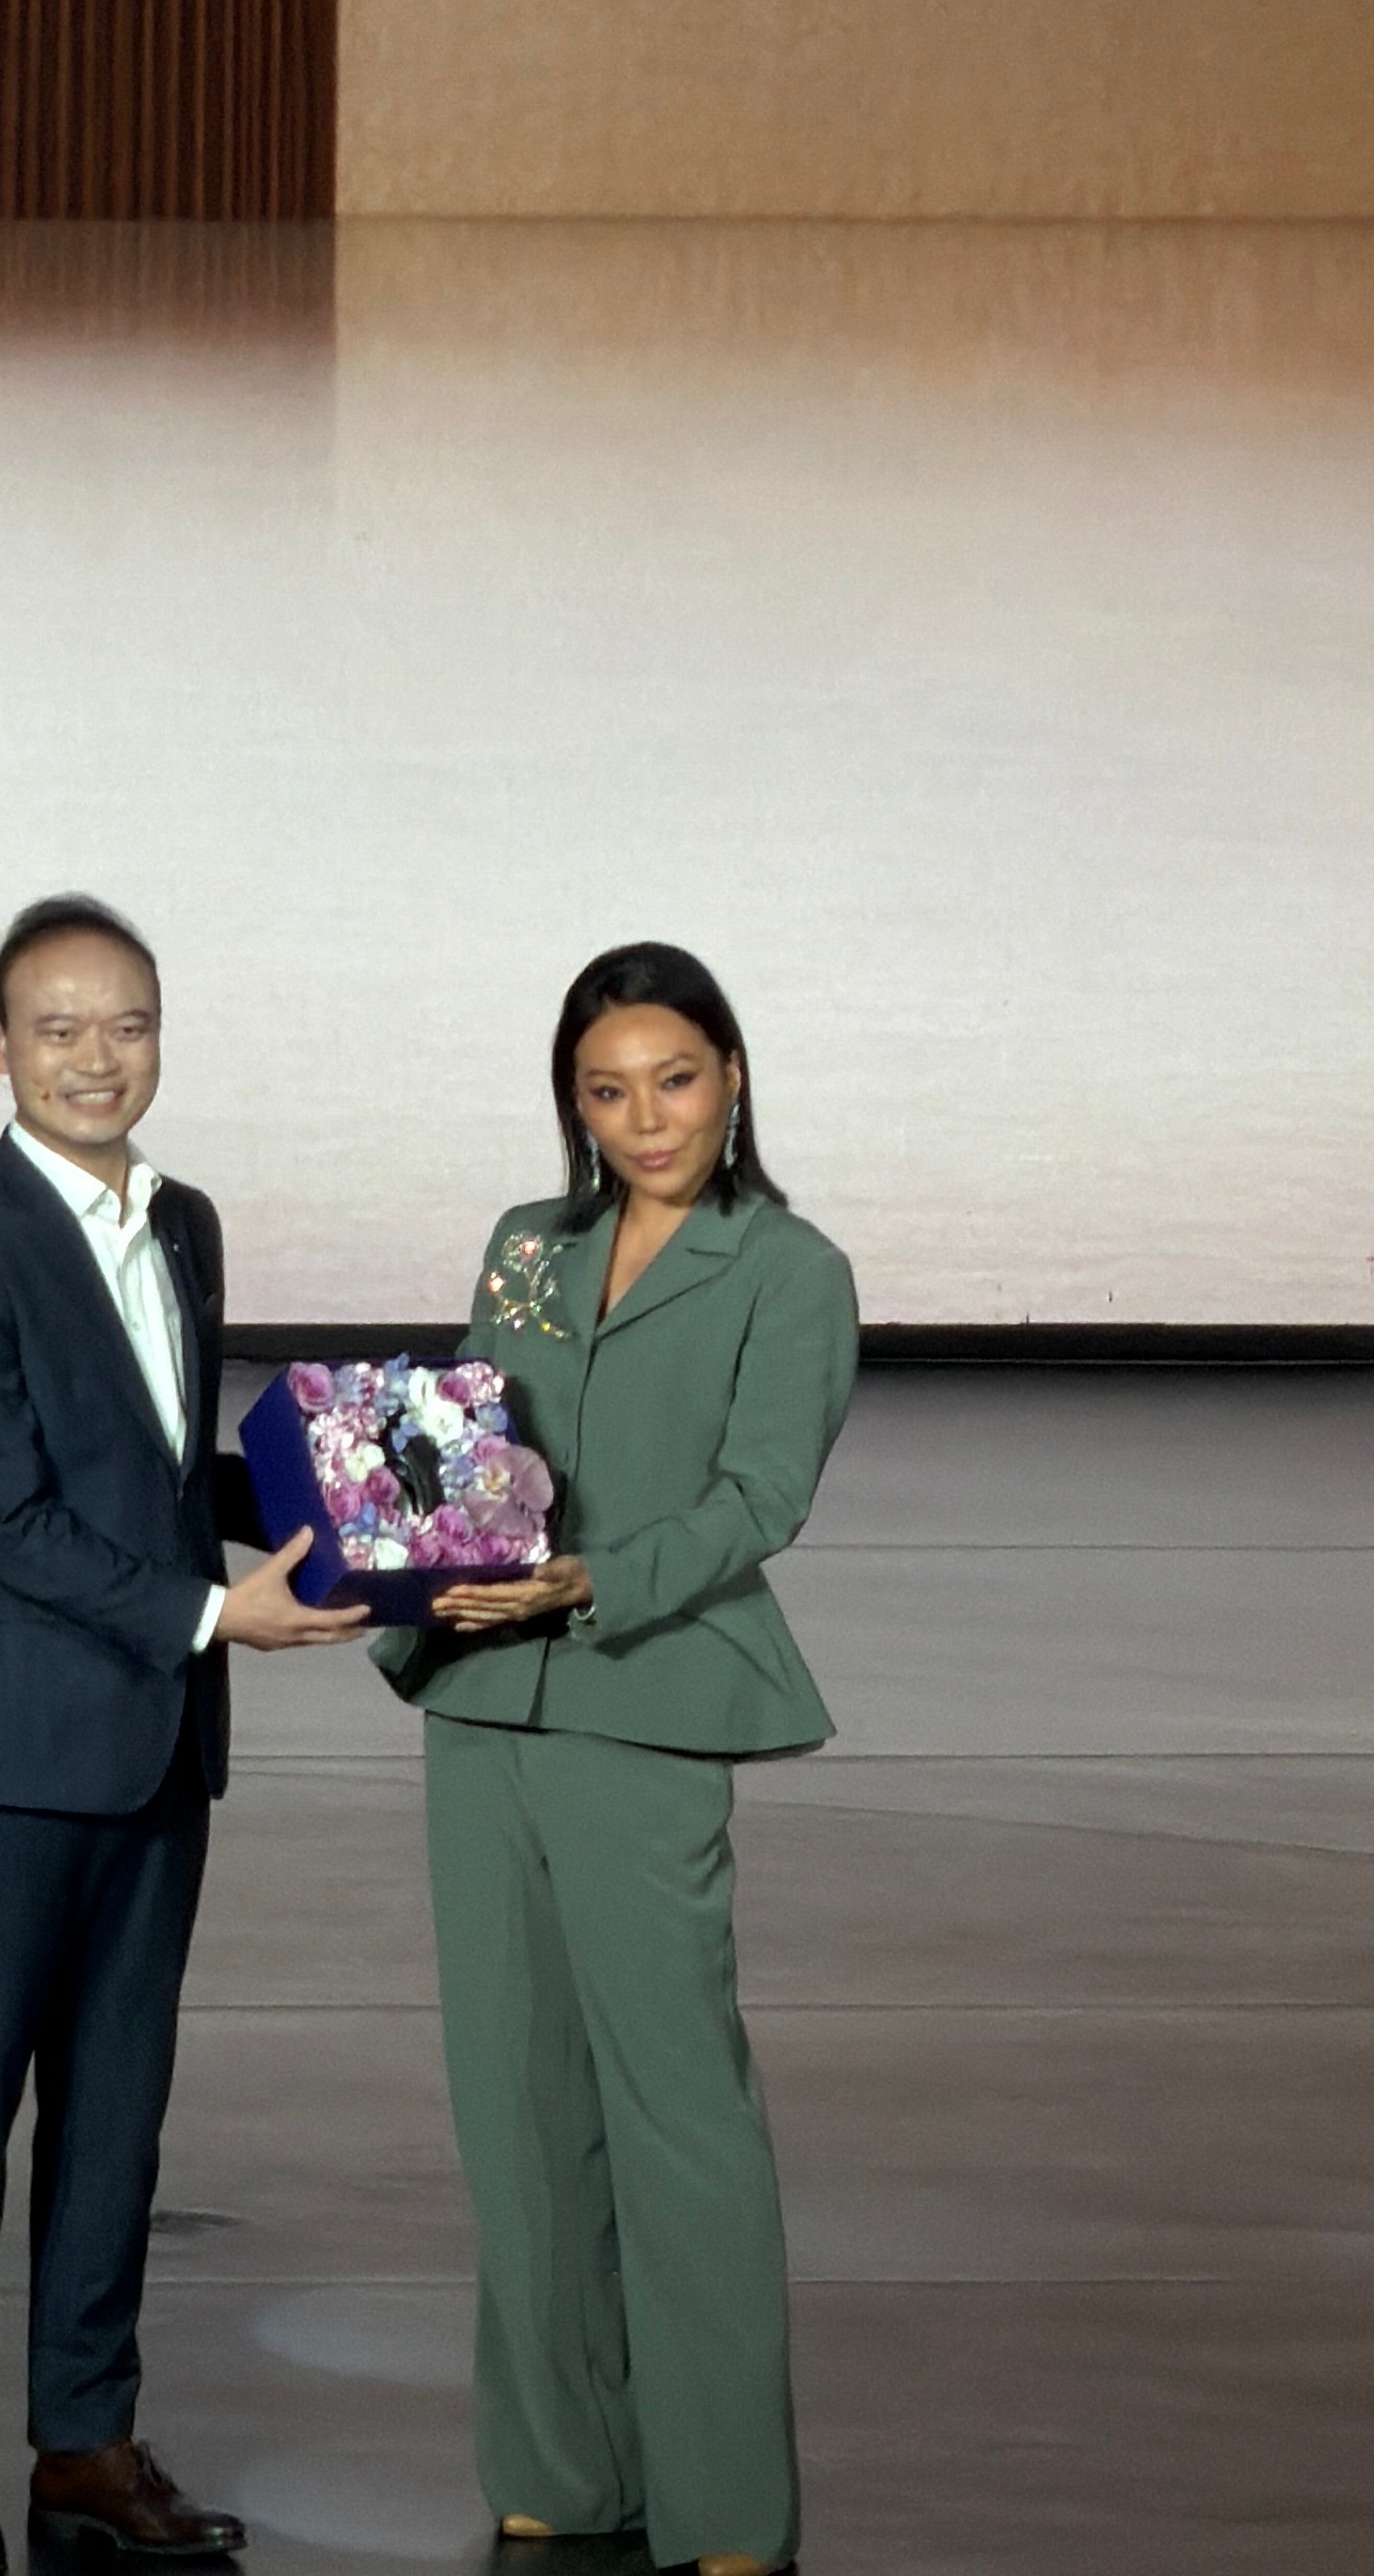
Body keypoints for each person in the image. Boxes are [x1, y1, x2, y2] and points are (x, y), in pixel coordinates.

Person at [0, 896, 366, 2576]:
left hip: (153, 1744)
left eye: (128, 1025)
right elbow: (2, 1518)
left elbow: (154, 1475)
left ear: (161, 1036)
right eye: (59, 1028)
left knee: (116, 2117)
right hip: (4, 1756)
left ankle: (86, 2437)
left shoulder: (186, 1223)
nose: (97, 1058)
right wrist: (221, 1614)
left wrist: (357, 1509)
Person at [377, 941, 859, 2576]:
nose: (645, 1119)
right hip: (480, 1706)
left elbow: (760, 1496)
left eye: (675, 1080)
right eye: (607, 1090)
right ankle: (564, 2464)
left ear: (732, 1080)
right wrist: (384, 1529)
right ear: (572, 1104)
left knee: (677, 2112)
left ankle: (724, 2502)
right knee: (513, 2106)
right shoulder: (529, 1244)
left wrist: (593, 1581)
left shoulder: (787, 1270)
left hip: (644, 1700)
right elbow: (471, 1449)